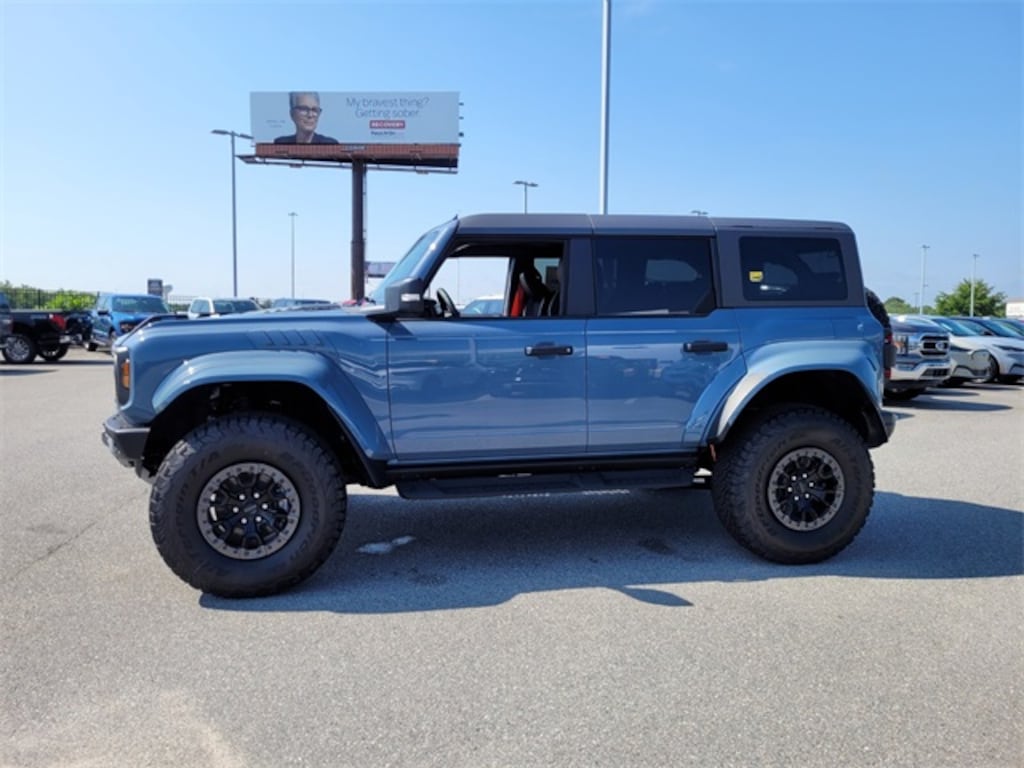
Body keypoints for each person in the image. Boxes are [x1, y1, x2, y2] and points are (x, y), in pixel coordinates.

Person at [273, 92, 338, 144]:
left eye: (314, 110)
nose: (310, 115)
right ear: (292, 114)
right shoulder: (280, 144)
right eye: (304, 109)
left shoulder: (329, 144)